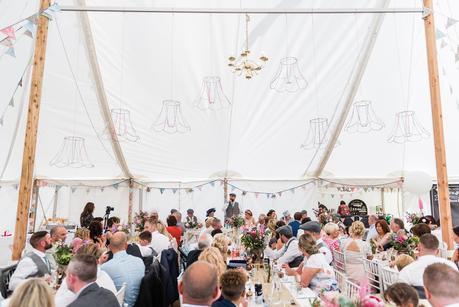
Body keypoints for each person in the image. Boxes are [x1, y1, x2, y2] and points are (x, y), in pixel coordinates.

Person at [398, 234, 458, 298]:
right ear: (437, 251)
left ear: (418, 248)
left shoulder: (407, 270)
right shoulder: (451, 266)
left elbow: (400, 294)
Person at [100, 232, 145, 307]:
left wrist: (100, 263)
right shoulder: (139, 261)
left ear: (110, 247)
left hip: (122, 304)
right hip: (141, 301)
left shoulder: (105, 267)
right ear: (126, 245)